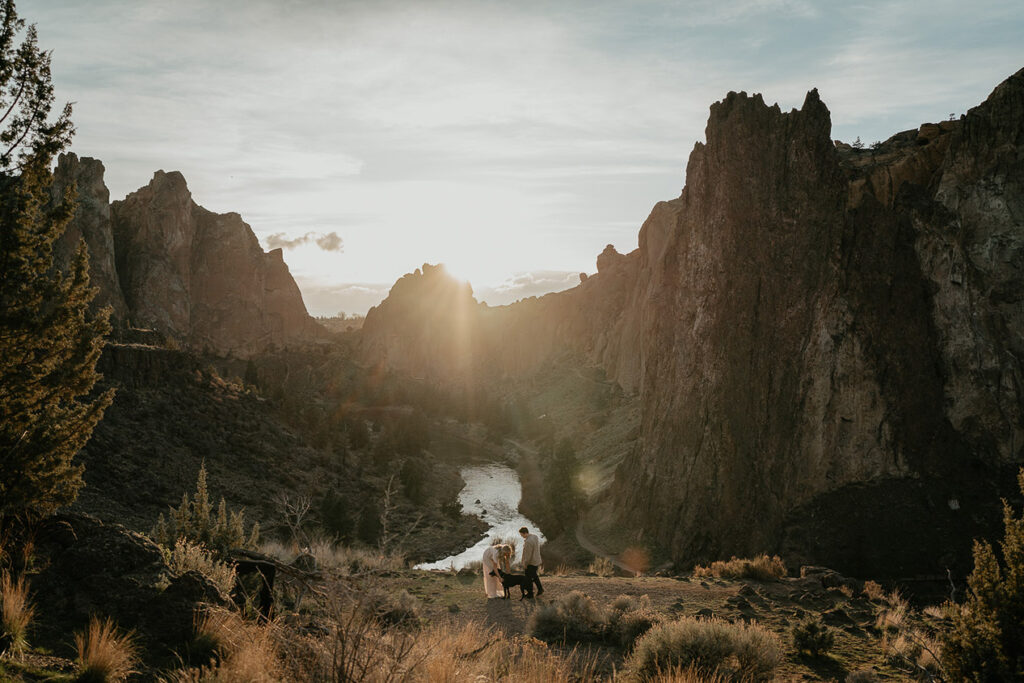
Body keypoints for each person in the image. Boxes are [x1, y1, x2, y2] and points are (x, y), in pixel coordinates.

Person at [519, 527, 543, 598]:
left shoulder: (528, 542)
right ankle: (540, 589)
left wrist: (525, 564)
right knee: (534, 575)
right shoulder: (534, 536)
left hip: (531, 562)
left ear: (525, 533)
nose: (521, 536)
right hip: (536, 560)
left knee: (528, 578)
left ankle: (530, 593)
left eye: (521, 535)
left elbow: (528, 555)